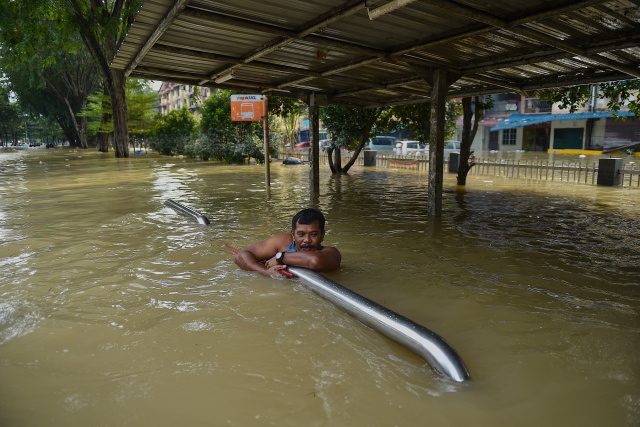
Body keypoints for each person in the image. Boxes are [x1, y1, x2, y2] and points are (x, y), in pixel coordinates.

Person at [234, 208, 341, 277]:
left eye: (314, 234)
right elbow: (241, 256)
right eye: (301, 234)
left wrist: (280, 257)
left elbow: (314, 260)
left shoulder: (331, 253)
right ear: (293, 235)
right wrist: (266, 272)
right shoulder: (283, 243)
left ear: (322, 235)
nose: (307, 240)